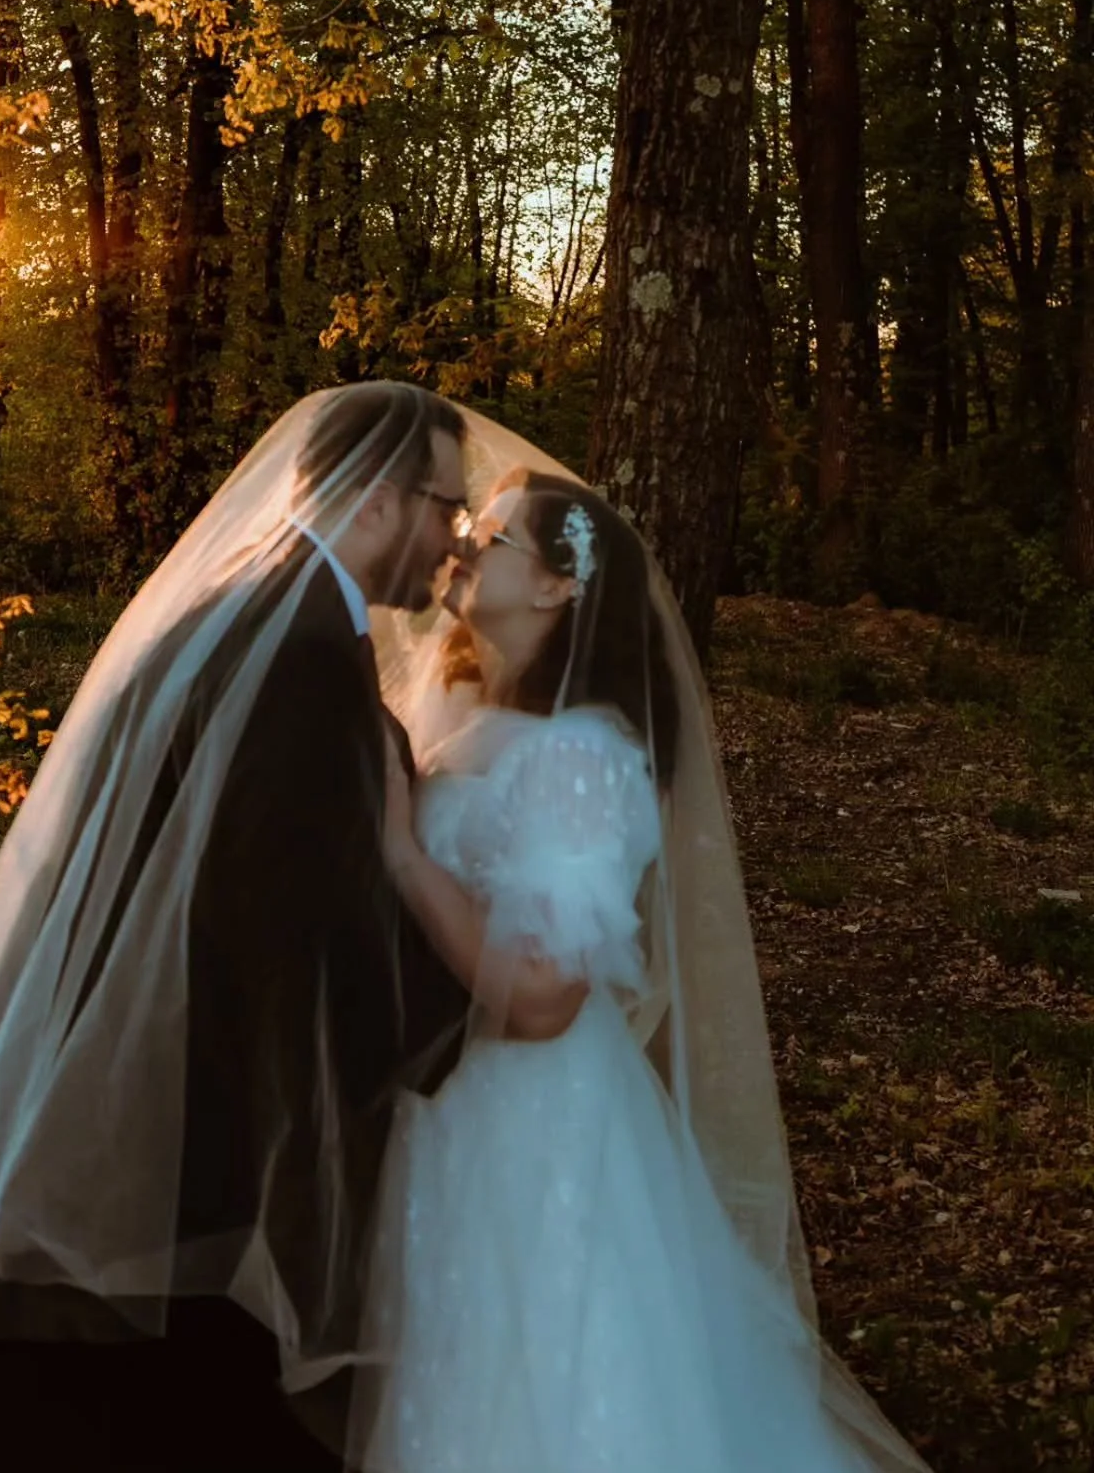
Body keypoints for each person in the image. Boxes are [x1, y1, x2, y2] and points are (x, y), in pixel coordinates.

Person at [0, 382, 474, 1472]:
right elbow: (296, 951)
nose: (453, 540)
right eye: (445, 508)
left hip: (129, 1129)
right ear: (376, 498)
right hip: (186, 1178)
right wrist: (462, 1014)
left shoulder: (242, 610)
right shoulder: (302, 659)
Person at [350, 442, 931, 1473]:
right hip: (447, 1116)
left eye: (495, 534)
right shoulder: (469, 727)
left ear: (563, 583)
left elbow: (542, 999)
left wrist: (401, 853)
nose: (467, 543)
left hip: (535, 1141)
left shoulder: (586, 759)